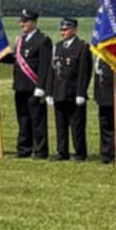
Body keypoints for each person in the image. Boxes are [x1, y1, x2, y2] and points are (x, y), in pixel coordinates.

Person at [10, 10, 52, 159]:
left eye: (25, 22)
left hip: (34, 87)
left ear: (33, 22)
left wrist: (41, 86)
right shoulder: (21, 40)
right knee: (23, 118)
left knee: (37, 120)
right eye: (21, 22)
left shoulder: (43, 40)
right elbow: (15, 59)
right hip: (20, 86)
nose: (22, 24)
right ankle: (24, 148)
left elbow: (45, 65)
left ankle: (40, 150)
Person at [48, 17, 90, 161]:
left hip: (73, 93)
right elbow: (52, 70)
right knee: (60, 125)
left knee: (77, 126)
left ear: (74, 30)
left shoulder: (82, 47)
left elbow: (84, 72)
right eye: (62, 30)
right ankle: (62, 152)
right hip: (59, 92)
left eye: (65, 29)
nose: (62, 32)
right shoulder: (58, 47)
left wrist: (81, 93)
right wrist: (49, 92)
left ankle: (80, 153)